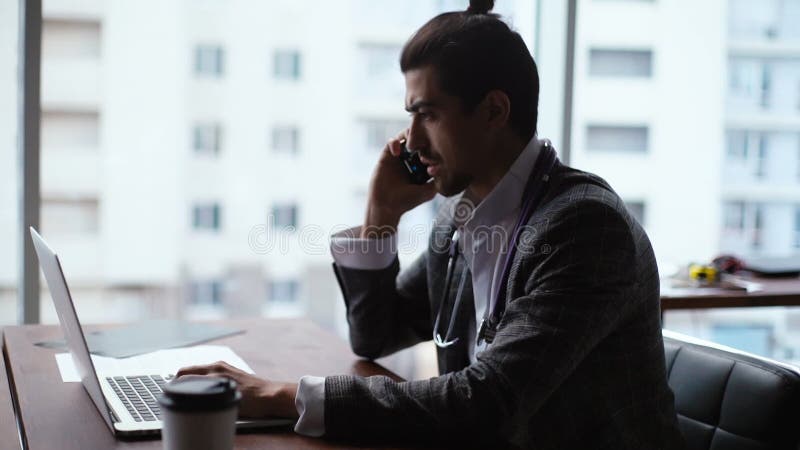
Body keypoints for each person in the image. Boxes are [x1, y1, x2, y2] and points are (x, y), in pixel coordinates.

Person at [177, 1, 686, 448]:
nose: (411, 140)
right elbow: (377, 335)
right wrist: (380, 218)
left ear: (493, 110)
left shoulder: (583, 229)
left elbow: (490, 401)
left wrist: (281, 395)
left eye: (429, 114)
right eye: (410, 115)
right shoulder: (461, 218)